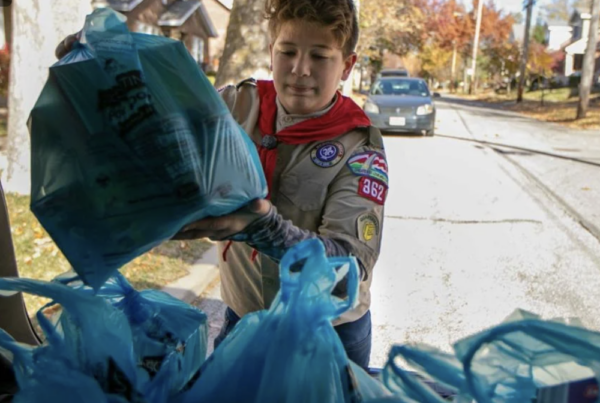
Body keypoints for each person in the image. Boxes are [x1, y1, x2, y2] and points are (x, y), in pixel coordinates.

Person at [55, 0, 388, 370]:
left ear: (347, 65)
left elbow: (348, 274)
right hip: (243, 316)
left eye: (321, 56)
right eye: (288, 51)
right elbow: (159, 124)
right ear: (270, 50)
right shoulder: (234, 104)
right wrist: (102, 72)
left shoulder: (360, 149)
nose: (299, 69)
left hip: (327, 333)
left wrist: (268, 230)